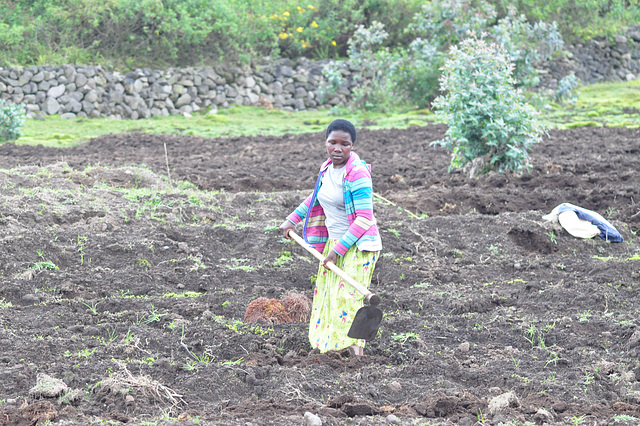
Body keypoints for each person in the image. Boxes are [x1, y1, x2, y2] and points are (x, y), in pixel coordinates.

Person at [279, 118, 382, 356]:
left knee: (347, 299)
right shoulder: (327, 169)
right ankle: (329, 349)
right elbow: (316, 197)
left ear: (352, 145)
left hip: (358, 246)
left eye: (344, 144)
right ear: (325, 143)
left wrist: (338, 251)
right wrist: (292, 219)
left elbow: (365, 218)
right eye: (332, 142)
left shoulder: (357, 174)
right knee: (327, 295)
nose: (337, 148)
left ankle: (355, 352)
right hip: (334, 242)